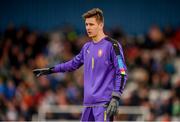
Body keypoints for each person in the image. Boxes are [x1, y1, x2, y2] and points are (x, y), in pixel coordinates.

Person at [33, 8, 128, 121]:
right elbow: (72, 64)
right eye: (86, 24)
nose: (88, 27)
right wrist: (51, 70)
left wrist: (116, 97)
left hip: (104, 106)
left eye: (91, 24)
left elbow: (122, 72)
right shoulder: (86, 47)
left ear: (101, 25)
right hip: (87, 106)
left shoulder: (113, 45)